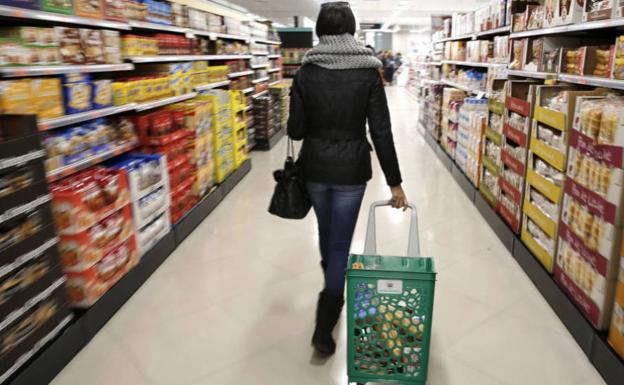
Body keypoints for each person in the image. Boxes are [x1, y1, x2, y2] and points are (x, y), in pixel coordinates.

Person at [286, 1, 407, 356]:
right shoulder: (369, 70)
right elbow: (381, 131)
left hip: (316, 168)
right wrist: (394, 181)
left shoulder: (305, 71)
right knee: (340, 243)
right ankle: (325, 321)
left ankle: (330, 288)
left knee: (328, 234)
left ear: (320, 30)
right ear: (352, 29)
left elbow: (295, 130)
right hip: (352, 169)